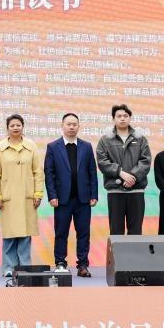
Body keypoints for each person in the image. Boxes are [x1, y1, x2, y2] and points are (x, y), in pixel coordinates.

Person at [0, 114, 44, 277]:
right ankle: (9, 268)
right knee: (9, 235)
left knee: (25, 235)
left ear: (23, 127)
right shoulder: (0, 148)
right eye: (12, 125)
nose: (15, 128)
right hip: (8, 198)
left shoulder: (31, 146)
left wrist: (38, 193)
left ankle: (25, 268)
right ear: (7, 128)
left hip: (28, 197)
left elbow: (38, 172)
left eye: (18, 125)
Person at [44, 113, 98, 277]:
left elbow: (92, 172)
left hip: (83, 198)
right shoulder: (53, 147)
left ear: (79, 126)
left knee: (83, 233)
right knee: (61, 232)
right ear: (62, 126)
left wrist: (94, 194)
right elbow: (49, 173)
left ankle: (83, 265)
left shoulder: (86, 147)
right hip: (62, 199)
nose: (72, 127)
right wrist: (52, 195)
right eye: (68, 124)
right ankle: (60, 262)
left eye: (75, 124)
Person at [96, 104, 151, 235]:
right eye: (119, 116)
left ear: (130, 118)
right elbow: (102, 162)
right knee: (116, 231)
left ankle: (135, 251)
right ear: (113, 119)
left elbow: (145, 161)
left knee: (136, 231)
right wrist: (120, 172)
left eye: (125, 116)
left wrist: (133, 177)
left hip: (136, 191)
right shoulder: (105, 140)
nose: (122, 118)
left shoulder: (140, 138)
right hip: (115, 191)